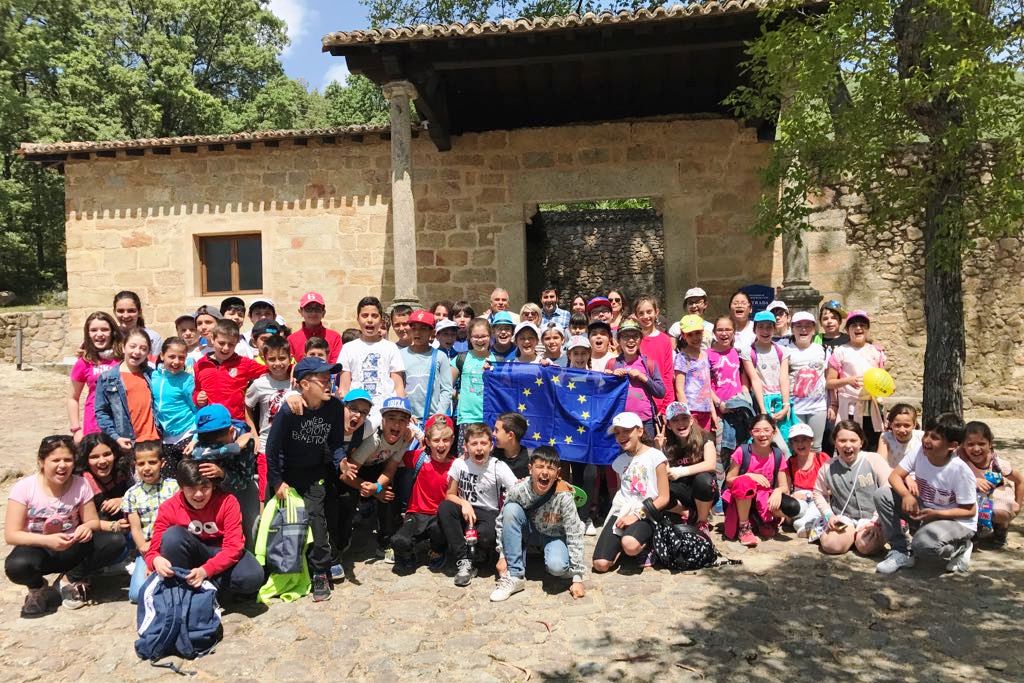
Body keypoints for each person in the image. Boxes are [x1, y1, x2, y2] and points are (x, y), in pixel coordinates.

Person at [5, 435, 127, 617]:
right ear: (41, 462)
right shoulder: (24, 488)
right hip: (39, 549)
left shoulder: (81, 484)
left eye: (68, 460)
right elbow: (11, 535)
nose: (62, 465)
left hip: (74, 546)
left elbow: (92, 520)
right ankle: (37, 588)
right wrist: (46, 540)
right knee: (16, 566)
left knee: (115, 541)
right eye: (56, 460)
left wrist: (86, 527)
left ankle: (70, 578)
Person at [266, 357, 348, 602]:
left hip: (314, 474)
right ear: (304, 384)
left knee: (316, 522)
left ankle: (320, 572)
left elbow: (335, 443)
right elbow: (272, 448)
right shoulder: (289, 410)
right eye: (322, 379)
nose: (328, 384)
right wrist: (277, 481)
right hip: (286, 475)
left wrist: (341, 461)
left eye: (329, 378)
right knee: (282, 525)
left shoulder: (333, 407)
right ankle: (277, 571)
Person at [874, 413, 976, 574]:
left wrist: (937, 514)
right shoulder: (920, 451)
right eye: (927, 434)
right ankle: (901, 551)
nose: (927, 440)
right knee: (883, 495)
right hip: (927, 511)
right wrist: (906, 495)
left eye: (935, 437)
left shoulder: (960, 471)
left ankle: (961, 547)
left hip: (957, 521)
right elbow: (894, 476)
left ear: (952, 446)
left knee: (923, 546)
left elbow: (970, 511)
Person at [146, 459, 263, 598]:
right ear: (181, 487)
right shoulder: (169, 507)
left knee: (253, 577)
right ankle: (186, 589)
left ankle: (201, 586)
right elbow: (153, 550)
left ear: (213, 486)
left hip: (220, 554)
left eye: (204, 487)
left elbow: (233, 548)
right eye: (191, 488)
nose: (199, 495)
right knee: (172, 537)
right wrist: (155, 561)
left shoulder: (228, 502)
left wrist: (205, 571)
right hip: (191, 555)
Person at [492, 446, 586, 601]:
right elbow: (502, 520)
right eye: (540, 466)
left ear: (558, 473)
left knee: (557, 568)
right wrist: (502, 554)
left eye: (550, 468)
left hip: (554, 536)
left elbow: (574, 532)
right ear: (530, 469)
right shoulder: (519, 490)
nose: (545, 472)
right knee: (511, 510)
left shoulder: (564, 496)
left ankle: (550, 556)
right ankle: (515, 575)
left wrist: (577, 578)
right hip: (530, 532)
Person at [438, 423, 517, 587]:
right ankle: (463, 560)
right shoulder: (460, 465)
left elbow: (516, 489)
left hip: (488, 512)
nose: (479, 448)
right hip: (465, 509)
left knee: (486, 536)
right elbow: (450, 494)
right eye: (474, 444)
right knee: (445, 507)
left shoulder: (498, 467)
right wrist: (464, 502)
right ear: (466, 446)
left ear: (491, 446)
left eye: (483, 443)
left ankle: (480, 554)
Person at [339, 397, 417, 562]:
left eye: (402, 421)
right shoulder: (373, 439)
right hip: (353, 471)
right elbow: (347, 475)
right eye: (391, 419)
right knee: (346, 498)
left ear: (408, 424)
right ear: (382, 420)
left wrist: (377, 488)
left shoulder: (404, 439)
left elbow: (390, 470)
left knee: (388, 493)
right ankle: (342, 539)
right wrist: (371, 490)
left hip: (377, 471)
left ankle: (386, 542)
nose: (396, 425)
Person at [592, 412, 670, 572]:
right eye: (618, 432)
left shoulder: (656, 457)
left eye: (626, 431)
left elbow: (664, 497)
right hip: (622, 511)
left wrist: (636, 516)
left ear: (639, 431)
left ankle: (645, 544)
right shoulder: (619, 462)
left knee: (630, 544)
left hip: (646, 513)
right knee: (600, 564)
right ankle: (622, 545)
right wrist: (621, 516)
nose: (621, 436)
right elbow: (623, 492)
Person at [390, 414, 457, 573]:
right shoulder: (419, 457)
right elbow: (393, 459)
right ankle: (409, 553)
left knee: (438, 531)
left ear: (452, 440)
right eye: (436, 440)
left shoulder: (457, 465)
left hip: (439, 517)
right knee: (399, 541)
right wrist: (407, 438)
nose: (441, 444)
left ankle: (438, 550)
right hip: (417, 514)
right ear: (427, 441)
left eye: (446, 440)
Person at [189, 404, 261, 550]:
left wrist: (222, 473)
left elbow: (244, 482)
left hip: (240, 488)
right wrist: (233, 448)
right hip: (214, 492)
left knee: (250, 528)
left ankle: (252, 564)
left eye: (218, 445)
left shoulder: (246, 440)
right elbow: (197, 454)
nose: (212, 446)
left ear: (231, 431)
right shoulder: (206, 437)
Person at [721, 414, 800, 547]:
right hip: (741, 498)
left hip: (763, 499)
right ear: (751, 433)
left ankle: (761, 520)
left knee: (793, 507)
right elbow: (729, 480)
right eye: (757, 431)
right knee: (744, 482)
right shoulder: (743, 451)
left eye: (766, 430)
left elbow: (784, 486)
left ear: (774, 432)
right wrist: (750, 476)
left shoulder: (777, 454)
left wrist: (777, 492)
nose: (762, 434)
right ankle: (744, 526)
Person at [811, 421, 888, 555]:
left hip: (873, 519)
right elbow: (818, 492)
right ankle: (848, 536)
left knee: (866, 546)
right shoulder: (828, 467)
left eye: (853, 440)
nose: (848, 445)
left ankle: (857, 538)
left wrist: (876, 521)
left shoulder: (874, 459)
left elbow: (887, 489)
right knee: (831, 546)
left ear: (861, 442)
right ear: (835, 443)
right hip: (844, 518)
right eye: (842, 440)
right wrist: (829, 515)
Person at [122, 441, 179, 603]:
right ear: (135, 466)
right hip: (147, 549)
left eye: (152, 462)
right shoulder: (131, 494)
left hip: (171, 544)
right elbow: (136, 529)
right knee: (136, 594)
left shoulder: (174, 487)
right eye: (141, 463)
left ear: (162, 463)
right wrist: (145, 551)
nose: (147, 468)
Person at [826, 310, 886, 452]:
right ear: (847, 330)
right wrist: (848, 380)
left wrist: (886, 389)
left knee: (871, 445)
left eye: (862, 325)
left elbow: (883, 379)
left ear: (867, 329)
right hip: (850, 408)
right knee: (849, 445)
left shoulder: (876, 352)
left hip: (872, 408)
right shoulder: (840, 352)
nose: (858, 328)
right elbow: (829, 382)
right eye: (854, 325)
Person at [655, 402, 718, 535]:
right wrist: (659, 449)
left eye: (684, 418)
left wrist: (681, 471)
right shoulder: (667, 443)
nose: (680, 423)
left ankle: (702, 521)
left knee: (704, 479)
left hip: (703, 491)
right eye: (675, 420)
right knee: (656, 488)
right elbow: (664, 472)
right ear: (670, 425)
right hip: (681, 491)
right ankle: (686, 513)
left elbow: (711, 464)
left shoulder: (705, 437)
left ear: (691, 420)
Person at [244, 335, 293, 502]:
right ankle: (264, 527)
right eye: (271, 359)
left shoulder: (298, 381)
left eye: (282, 358)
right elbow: (248, 407)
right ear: (264, 360)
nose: (277, 363)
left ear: (290, 358)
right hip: (267, 446)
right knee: (266, 492)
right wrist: (253, 433)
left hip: (292, 447)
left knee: (289, 491)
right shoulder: (259, 384)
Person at [94, 328, 160, 452]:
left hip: (154, 441)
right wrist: (116, 437)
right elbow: (101, 413)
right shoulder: (107, 378)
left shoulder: (153, 376)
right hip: (127, 443)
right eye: (133, 346)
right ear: (124, 347)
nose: (137, 352)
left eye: (143, 348)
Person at [959, 421, 1021, 547]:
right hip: (972, 496)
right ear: (962, 445)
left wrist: (1018, 505)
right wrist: (973, 480)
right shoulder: (958, 459)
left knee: (1001, 513)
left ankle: (1000, 529)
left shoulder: (997, 463)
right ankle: (974, 529)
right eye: (970, 444)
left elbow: (1020, 480)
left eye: (982, 444)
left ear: (990, 444)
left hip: (996, 494)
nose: (976, 449)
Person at [192, 319, 267, 422]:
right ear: (212, 339)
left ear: (236, 343)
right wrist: (197, 398)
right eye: (221, 343)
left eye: (231, 344)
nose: (226, 348)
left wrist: (294, 369)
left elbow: (271, 370)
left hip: (236, 421)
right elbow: (197, 390)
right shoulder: (200, 365)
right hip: (210, 422)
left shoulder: (244, 363)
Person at [707, 315, 755, 477]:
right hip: (721, 412)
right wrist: (718, 403)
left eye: (728, 329)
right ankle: (721, 493)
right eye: (720, 329)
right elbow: (705, 384)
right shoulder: (707, 355)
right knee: (722, 453)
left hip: (739, 411)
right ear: (714, 333)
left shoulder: (737, 353)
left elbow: (743, 379)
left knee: (741, 451)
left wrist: (744, 396)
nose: (724, 333)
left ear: (734, 332)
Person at [338, 296, 406, 409]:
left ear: (380, 319)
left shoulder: (391, 348)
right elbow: (344, 388)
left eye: (374, 316)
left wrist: (401, 409)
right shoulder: (348, 348)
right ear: (358, 319)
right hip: (358, 412)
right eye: (365, 315)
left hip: (385, 412)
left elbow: (399, 387)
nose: (369, 320)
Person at [68, 312, 122, 444]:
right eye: (93, 330)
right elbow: (73, 398)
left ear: (113, 332)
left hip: (121, 423)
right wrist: (76, 429)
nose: (99, 334)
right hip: (94, 424)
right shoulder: (85, 361)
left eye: (104, 329)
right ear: (88, 334)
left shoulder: (122, 358)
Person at [605, 320, 665, 437]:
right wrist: (610, 378)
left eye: (635, 336)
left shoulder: (649, 364)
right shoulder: (612, 363)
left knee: (646, 454)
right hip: (620, 421)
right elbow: (603, 394)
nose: (631, 340)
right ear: (619, 340)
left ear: (640, 340)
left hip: (645, 421)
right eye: (626, 337)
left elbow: (661, 392)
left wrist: (643, 377)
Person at [743, 311, 794, 446]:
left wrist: (786, 405)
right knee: (769, 442)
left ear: (774, 328)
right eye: (761, 327)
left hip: (781, 401)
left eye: (769, 327)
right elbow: (755, 380)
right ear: (754, 329)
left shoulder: (782, 350)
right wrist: (763, 410)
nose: (765, 331)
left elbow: (784, 377)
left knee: (787, 441)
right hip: (763, 400)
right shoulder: (748, 352)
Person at [782, 311, 829, 451]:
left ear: (814, 330)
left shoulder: (821, 349)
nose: (803, 329)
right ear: (792, 329)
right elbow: (783, 377)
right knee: (797, 447)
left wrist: (833, 403)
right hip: (795, 407)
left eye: (808, 325)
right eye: (799, 326)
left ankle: (817, 473)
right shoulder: (785, 350)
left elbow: (827, 376)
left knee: (816, 446)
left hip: (818, 406)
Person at [151, 337, 197, 477]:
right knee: (168, 478)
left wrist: (196, 438)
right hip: (166, 437)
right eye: (171, 356)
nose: (176, 362)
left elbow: (197, 409)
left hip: (187, 433)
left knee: (189, 476)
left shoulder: (187, 380)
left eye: (181, 357)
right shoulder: (153, 376)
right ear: (162, 355)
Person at [401, 309, 453, 420]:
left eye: (423, 329)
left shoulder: (440, 356)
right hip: (407, 418)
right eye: (414, 328)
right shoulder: (400, 355)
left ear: (432, 332)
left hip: (433, 418)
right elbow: (398, 387)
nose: (417, 332)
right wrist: (405, 413)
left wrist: (439, 414)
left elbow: (446, 389)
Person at [452, 318, 496, 446]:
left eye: (484, 336)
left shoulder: (497, 360)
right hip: (467, 418)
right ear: (469, 338)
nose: (480, 340)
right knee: (465, 459)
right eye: (475, 336)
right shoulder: (462, 358)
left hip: (490, 418)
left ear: (490, 337)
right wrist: (459, 396)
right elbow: (447, 386)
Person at [74, 432, 132, 531]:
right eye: (94, 457)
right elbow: (84, 521)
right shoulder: (81, 482)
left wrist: (123, 500)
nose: (102, 461)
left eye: (107, 454)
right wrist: (115, 526)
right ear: (85, 459)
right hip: (96, 530)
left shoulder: (122, 471)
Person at [674, 314, 718, 434]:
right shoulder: (682, 357)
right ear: (683, 335)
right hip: (691, 409)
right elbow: (679, 389)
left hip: (706, 409)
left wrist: (713, 412)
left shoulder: (705, 355)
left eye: (697, 333)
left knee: (705, 444)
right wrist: (686, 414)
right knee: (693, 445)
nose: (695, 337)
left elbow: (707, 386)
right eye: (690, 334)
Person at [786, 422, 830, 537]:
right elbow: (786, 488)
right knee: (792, 514)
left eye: (804, 439)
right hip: (800, 501)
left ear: (812, 441)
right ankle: (815, 525)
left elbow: (833, 488)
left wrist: (810, 495)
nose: (800, 444)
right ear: (791, 443)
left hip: (819, 499)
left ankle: (814, 526)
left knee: (798, 524)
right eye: (796, 440)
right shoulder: (790, 463)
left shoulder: (822, 458)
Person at [635, 295, 676, 412]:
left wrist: (666, 405)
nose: (646, 316)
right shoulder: (633, 341)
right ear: (636, 316)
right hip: (639, 401)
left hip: (660, 400)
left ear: (656, 312)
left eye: (649, 312)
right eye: (641, 313)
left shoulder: (665, 340)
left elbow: (668, 374)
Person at [288, 291, 342, 363]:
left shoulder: (335, 338)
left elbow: (336, 365)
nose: (313, 313)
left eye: (317, 309)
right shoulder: (292, 340)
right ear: (301, 312)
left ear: (323, 313)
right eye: (309, 309)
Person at [877, 403, 923, 468]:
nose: (902, 430)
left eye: (907, 425)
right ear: (890, 424)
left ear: (914, 424)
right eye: (897, 425)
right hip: (892, 473)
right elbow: (880, 462)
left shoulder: (921, 437)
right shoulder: (886, 437)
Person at [494, 412, 530, 478]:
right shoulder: (492, 455)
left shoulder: (530, 458)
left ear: (510, 435)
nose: (493, 434)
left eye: (496, 430)